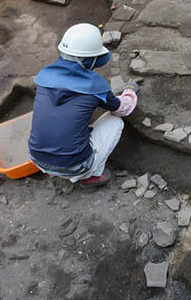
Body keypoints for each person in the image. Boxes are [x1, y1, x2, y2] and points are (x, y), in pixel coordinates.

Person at [28, 23, 137, 187]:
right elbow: (123, 108)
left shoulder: (44, 77)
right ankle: (90, 175)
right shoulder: (94, 86)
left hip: (37, 158)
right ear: (92, 58)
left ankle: (59, 169)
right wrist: (130, 92)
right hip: (75, 165)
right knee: (115, 121)